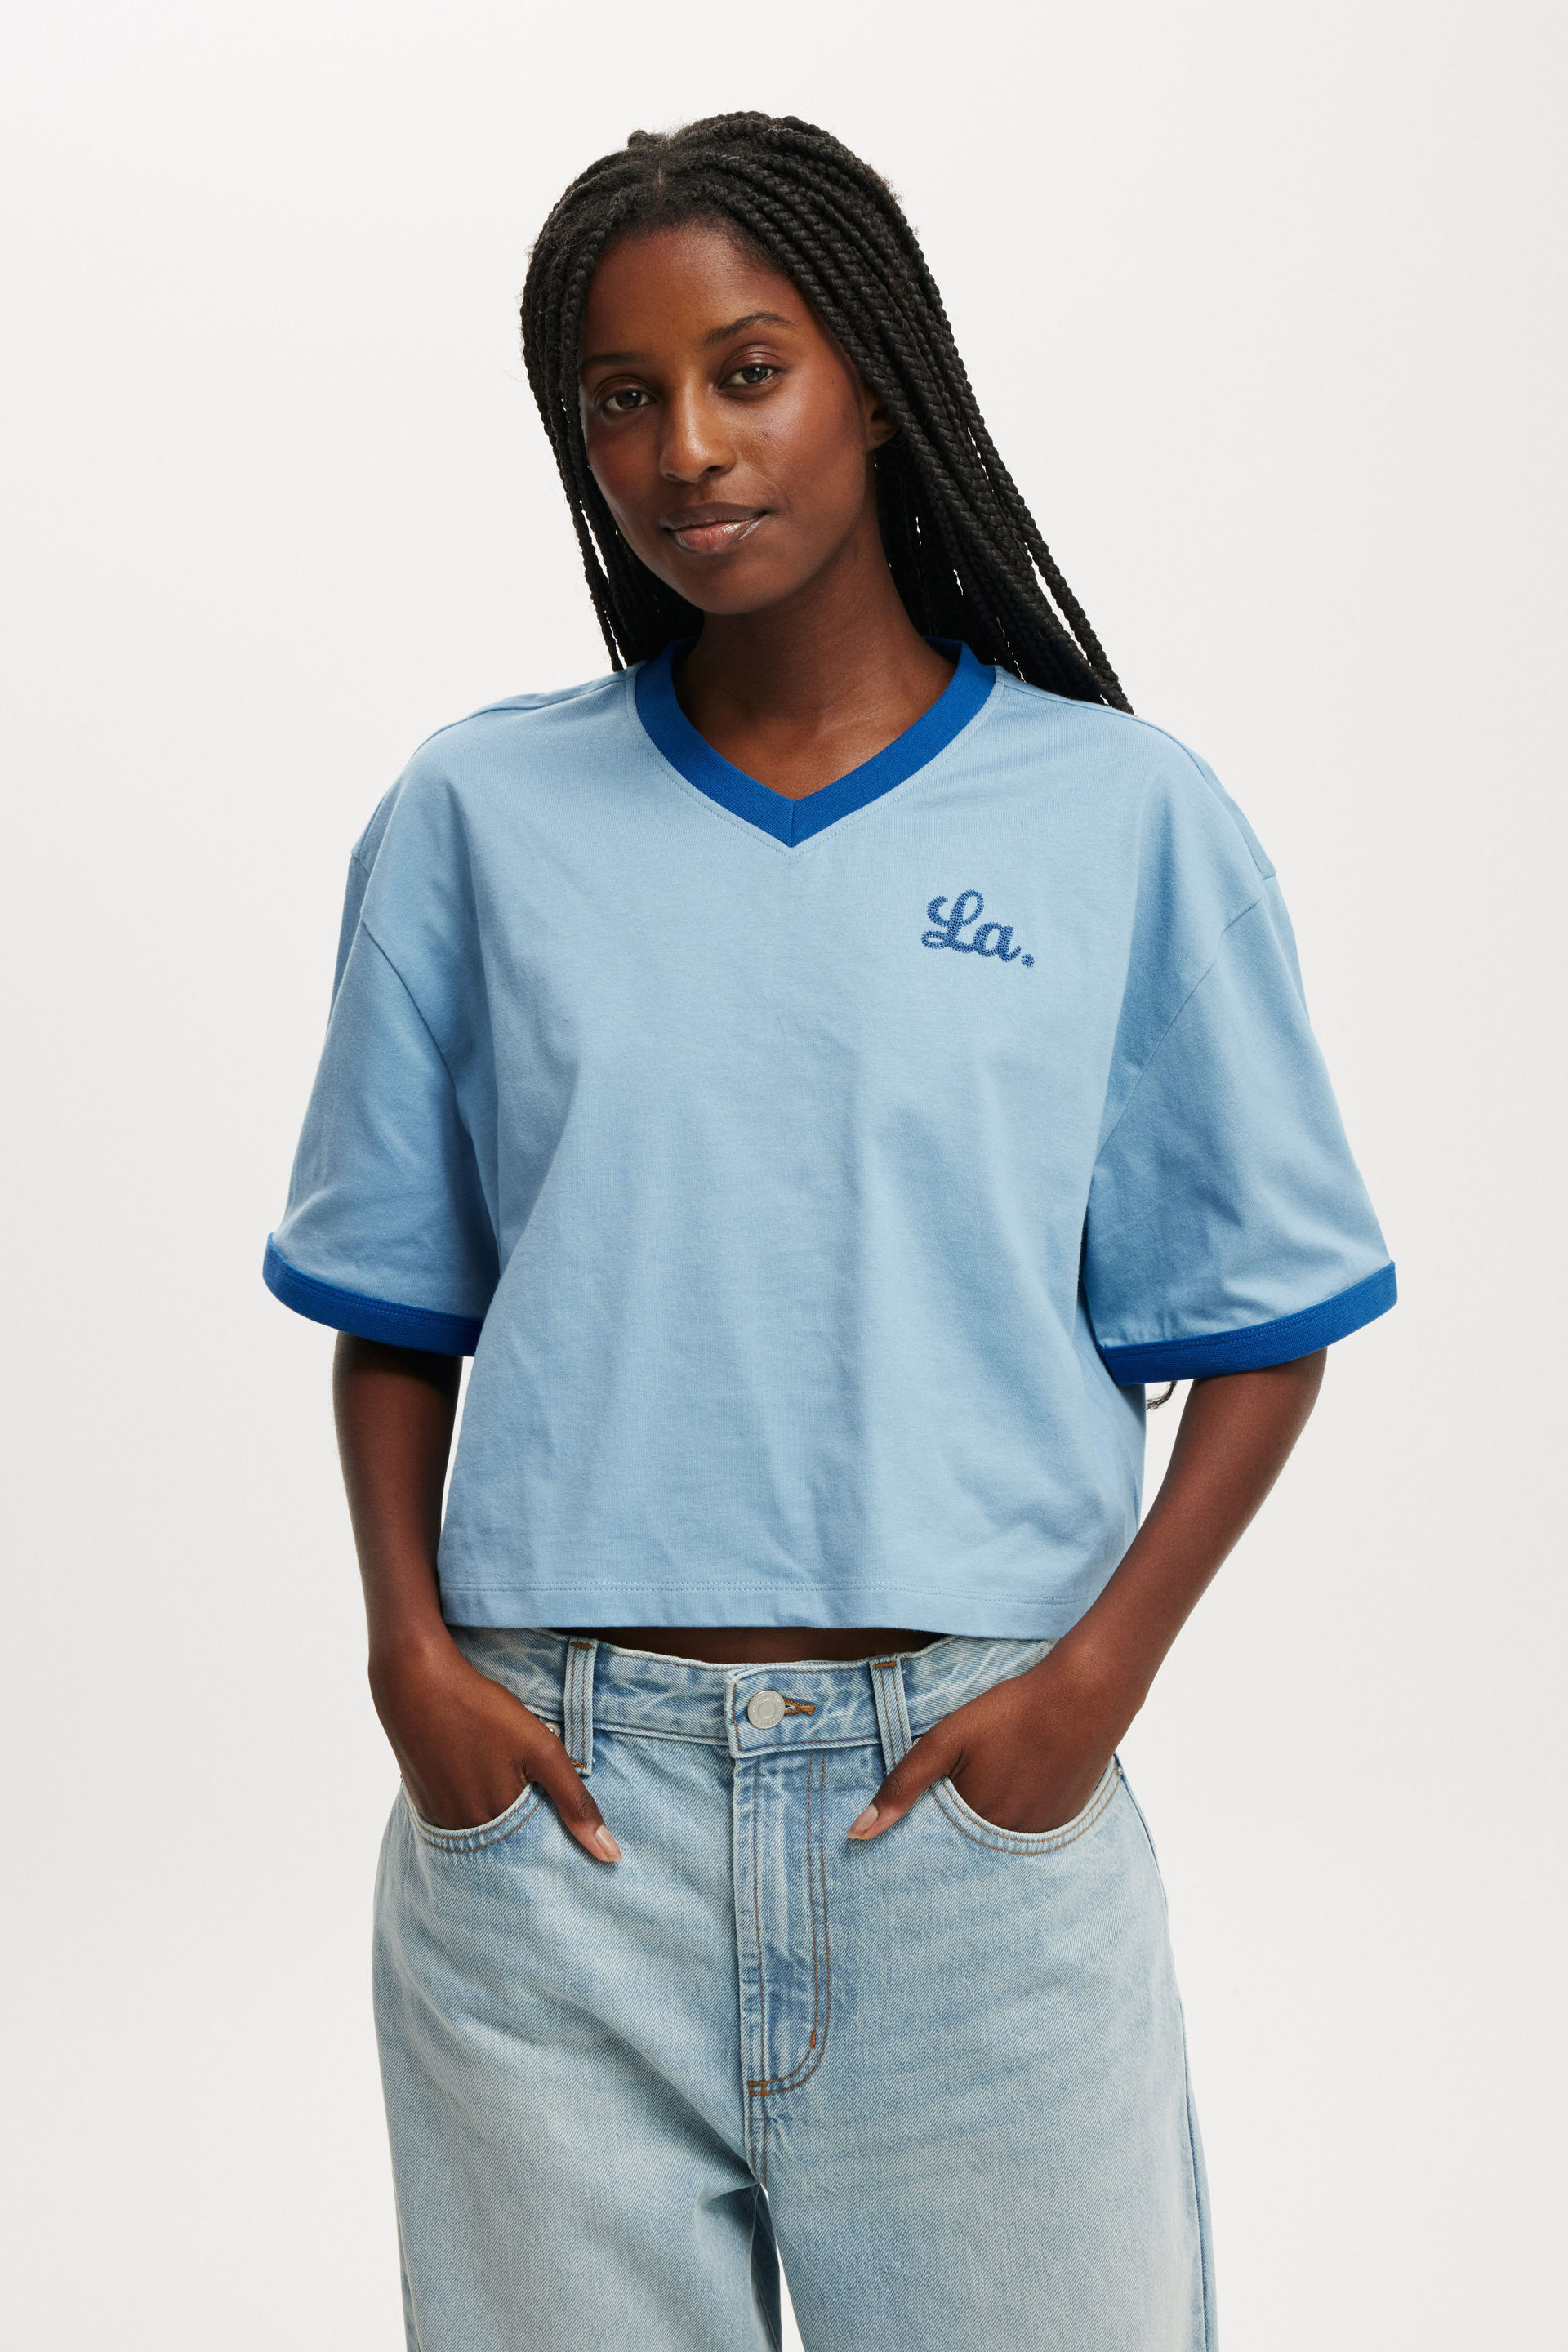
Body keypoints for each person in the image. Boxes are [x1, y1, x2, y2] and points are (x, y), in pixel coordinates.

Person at [264, 113, 1395, 2352]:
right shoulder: (477, 816)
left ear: (874, 382)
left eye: (748, 370)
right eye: (621, 396)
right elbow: (403, 1308)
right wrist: (412, 1665)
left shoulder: (1124, 818)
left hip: (967, 1821)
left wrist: (1091, 1688)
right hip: (553, 1833)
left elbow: (1266, 1323)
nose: (684, 448)